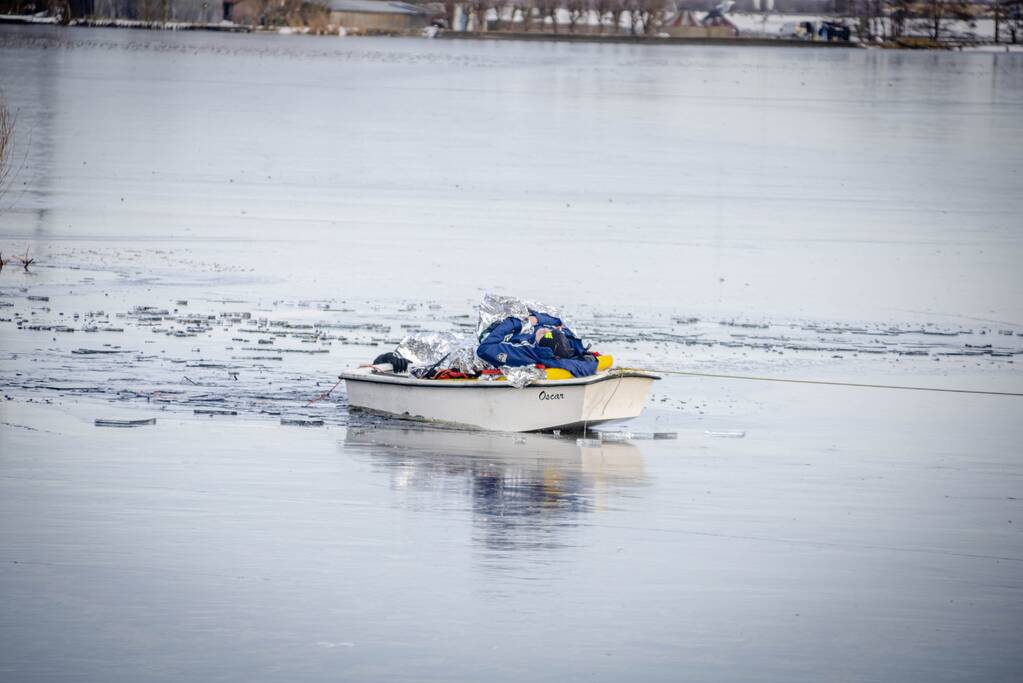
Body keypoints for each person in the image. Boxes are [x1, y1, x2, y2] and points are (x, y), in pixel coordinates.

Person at [475, 311, 597, 377]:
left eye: (547, 335)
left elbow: (484, 348)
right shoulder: (564, 344)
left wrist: (515, 322)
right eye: (550, 331)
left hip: (492, 338)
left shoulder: (524, 354)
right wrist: (536, 319)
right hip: (516, 331)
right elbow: (558, 321)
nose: (545, 330)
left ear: (544, 347)